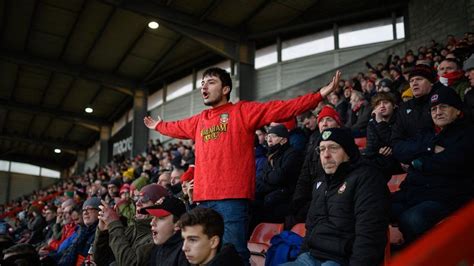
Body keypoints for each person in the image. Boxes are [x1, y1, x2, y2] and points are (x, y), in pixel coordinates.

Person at [144, 67, 341, 262]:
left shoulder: (242, 111)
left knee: (234, 254)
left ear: (225, 89)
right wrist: (159, 126)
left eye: (211, 82)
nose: (204, 86)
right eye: (202, 83)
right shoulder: (200, 120)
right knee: (204, 257)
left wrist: (318, 95)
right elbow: (177, 127)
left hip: (232, 199)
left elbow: (281, 108)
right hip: (203, 200)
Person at [284, 128, 390, 266]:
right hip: (309, 258)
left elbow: (369, 236)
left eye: (333, 148)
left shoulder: (367, 179)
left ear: (348, 152)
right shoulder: (320, 183)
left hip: (341, 261)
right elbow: (310, 228)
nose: (326, 155)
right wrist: (302, 256)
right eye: (321, 149)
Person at [391, 86, 474, 244]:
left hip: (446, 198)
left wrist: (417, 162)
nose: (437, 112)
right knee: (377, 208)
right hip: (412, 193)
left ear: (457, 110)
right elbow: (400, 150)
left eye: (443, 106)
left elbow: (453, 162)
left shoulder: (468, 133)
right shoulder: (427, 133)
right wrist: (428, 149)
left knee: (412, 219)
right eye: (433, 108)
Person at [289, 106, 342, 226]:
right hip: (314, 197)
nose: (324, 123)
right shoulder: (314, 145)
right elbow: (304, 176)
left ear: (338, 123)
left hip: (333, 200)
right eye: (321, 121)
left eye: (329, 119)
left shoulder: (345, 145)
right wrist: (298, 201)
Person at [93, 184, 169, 266]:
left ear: (158, 205)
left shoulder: (158, 237)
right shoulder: (131, 230)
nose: (137, 203)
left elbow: (131, 263)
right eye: (137, 199)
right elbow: (101, 259)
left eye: (144, 199)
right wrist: (102, 232)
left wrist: (114, 224)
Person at [254, 124, 303, 225]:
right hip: (271, 193)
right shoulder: (270, 155)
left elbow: (279, 177)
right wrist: (270, 175)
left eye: (273, 136)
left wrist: (267, 175)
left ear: (284, 140)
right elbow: (263, 177)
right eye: (268, 136)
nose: (269, 140)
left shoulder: (293, 154)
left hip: (286, 198)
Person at [140, 196, 189, 266]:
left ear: (178, 224)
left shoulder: (185, 252)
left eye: (160, 218)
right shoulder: (157, 248)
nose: (152, 222)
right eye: (153, 217)